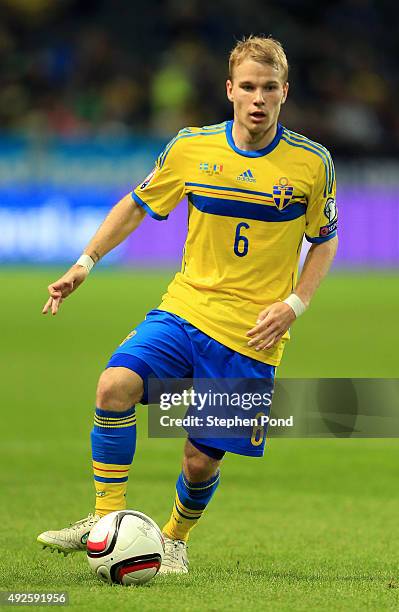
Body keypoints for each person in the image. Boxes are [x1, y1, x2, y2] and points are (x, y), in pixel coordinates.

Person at [37, 35, 338, 574]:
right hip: (185, 308)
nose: (257, 98)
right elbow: (136, 204)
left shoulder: (312, 164)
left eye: (269, 88)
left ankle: (173, 538)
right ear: (229, 89)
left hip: (252, 335)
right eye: (247, 87)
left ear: (284, 93)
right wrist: (85, 262)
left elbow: (325, 238)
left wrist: (295, 302)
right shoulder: (191, 148)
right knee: (114, 386)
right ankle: (106, 520)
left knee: (198, 462)